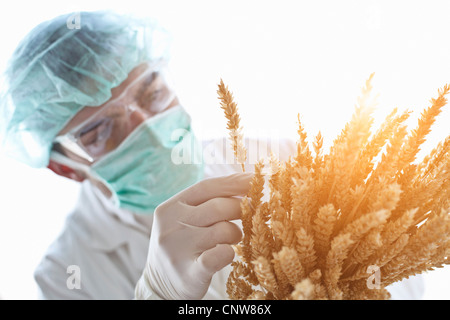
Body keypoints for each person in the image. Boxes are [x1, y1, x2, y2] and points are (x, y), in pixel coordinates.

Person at [1, 11, 423, 300]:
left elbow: (406, 267)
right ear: (63, 167)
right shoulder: (65, 276)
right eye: (99, 131)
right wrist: (159, 293)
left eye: (151, 92)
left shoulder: (284, 161)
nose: (147, 125)